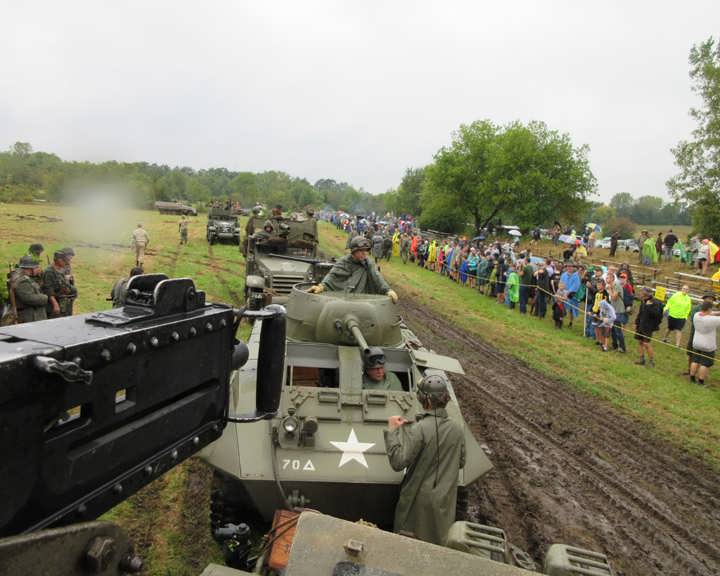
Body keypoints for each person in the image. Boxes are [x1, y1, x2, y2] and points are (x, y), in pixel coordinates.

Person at [384, 372, 465, 545]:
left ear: (425, 401)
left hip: (416, 506)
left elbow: (398, 462)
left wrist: (392, 432)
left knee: (408, 547)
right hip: (444, 503)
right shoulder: (457, 429)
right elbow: (461, 461)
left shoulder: (419, 429)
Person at [309, 236, 398, 303]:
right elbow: (332, 276)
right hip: (343, 300)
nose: (364, 253)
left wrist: (388, 290)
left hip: (363, 300)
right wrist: (321, 287)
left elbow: (377, 277)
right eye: (361, 250)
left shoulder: (368, 263)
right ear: (354, 251)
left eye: (366, 250)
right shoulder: (344, 261)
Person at [689, 299, 720, 386]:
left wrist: (716, 312)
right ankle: (701, 381)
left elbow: (711, 313)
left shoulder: (696, 315)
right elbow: (713, 316)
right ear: (710, 309)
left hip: (696, 342)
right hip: (707, 345)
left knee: (695, 360)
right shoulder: (712, 319)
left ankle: (692, 378)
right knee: (705, 363)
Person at [13, 256, 48, 323]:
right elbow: (29, 298)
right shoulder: (22, 281)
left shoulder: (26, 278)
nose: (38, 269)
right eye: (36, 267)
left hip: (33, 315)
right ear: (30, 269)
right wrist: (45, 297)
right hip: (31, 317)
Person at [634, 287, 663, 367]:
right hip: (641, 325)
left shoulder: (655, 302)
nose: (641, 295)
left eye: (643, 293)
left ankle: (651, 361)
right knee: (640, 342)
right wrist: (636, 322)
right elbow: (640, 313)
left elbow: (656, 314)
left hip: (648, 326)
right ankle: (641, 359)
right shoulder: (643, 301)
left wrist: (648, 307)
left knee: (646, 343)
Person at [42, 251, 77, 317]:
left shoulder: (62, 269)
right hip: (57, 304)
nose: (67, 263)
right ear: (59, 260)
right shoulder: (49, 272)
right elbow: (48, 290)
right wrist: (55, 305)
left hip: (66, 304)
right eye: (65, 261)